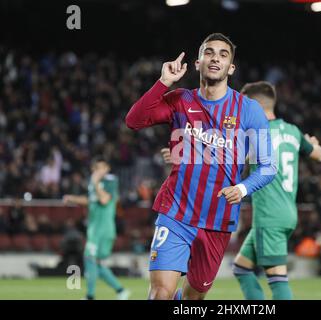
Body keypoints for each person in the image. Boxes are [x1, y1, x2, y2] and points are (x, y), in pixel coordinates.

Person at [125, 33, 277, 300]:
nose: (215, 58)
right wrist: (163, 83)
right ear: (198, 63)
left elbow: (267, 166)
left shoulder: (248, 110)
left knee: (193, 299)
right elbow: (134, 120)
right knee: (161, 292)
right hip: (176, 212)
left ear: (231, 67)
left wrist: (242, 188)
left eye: (222, 54)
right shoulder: (180, 100)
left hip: (217, 220)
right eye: (209, 52)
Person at [232, 81, 321, 300]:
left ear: (252, 104)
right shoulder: (292, 131)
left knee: (277, 280)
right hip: (287, 212)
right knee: (241, 269)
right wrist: (313, 143)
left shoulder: (256, 133)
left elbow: (232, 160)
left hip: (269, 216)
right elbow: (319, 155)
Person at [63, 157, 130, 300]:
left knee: (89, 259)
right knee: (96, 264)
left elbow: (104, 199)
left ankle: (90, 296)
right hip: (96, 229)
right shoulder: (94, 184)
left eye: (100, 168)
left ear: (106, 168)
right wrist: (73, 199)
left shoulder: (110, 181)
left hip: (102, 229)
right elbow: (90, 200)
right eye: (95, 168)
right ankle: (121, 291)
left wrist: (95, 182)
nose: (97, 171)